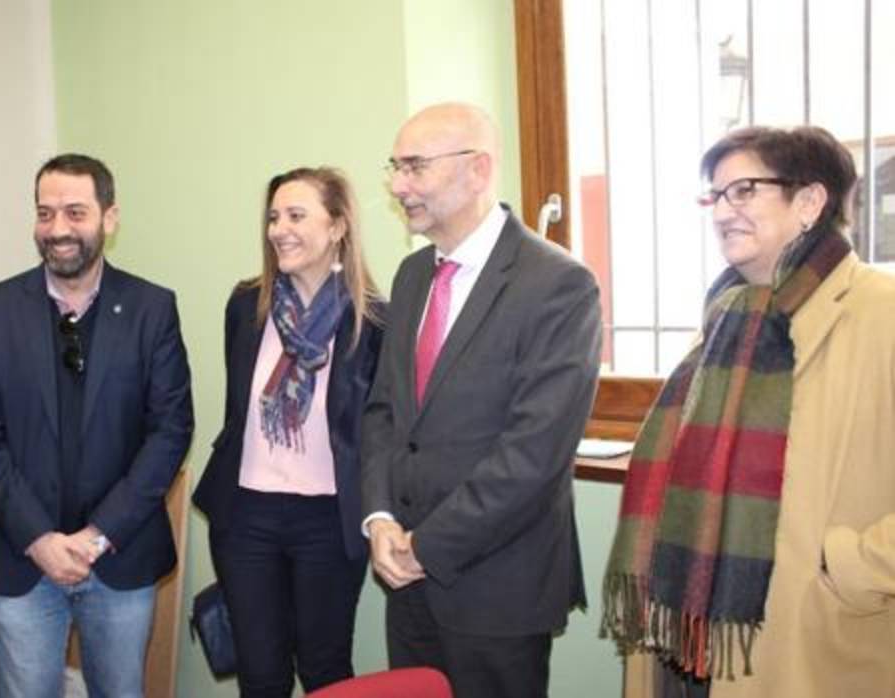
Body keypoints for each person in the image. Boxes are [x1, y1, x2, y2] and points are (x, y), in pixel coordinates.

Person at [602, 126, 895, 697]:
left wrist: (851, 566)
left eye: (744, 191)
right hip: (686, 627)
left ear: (810, 201)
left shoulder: (881, 313)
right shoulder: (726, 313)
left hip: (809, 630)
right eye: (715, 195)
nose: (721, 212)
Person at [360, 102, 603, 698]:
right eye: (395, 166)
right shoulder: (414, 275)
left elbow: (533, 455)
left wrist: (428, 547)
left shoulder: (558, 284)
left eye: (415, 167)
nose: (398, 185)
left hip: (498, 588)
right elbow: (386, 413)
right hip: (408, 580)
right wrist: (382, 517)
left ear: (477, 170)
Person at [0, 153, 194, 698]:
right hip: (22, 557)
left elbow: (170, 430)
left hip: (119, 555)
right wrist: (39, 537)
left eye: (74, 212)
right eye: (45, 213)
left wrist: (96, 535)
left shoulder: (151, 308)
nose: (57, 229)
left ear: (110, 218)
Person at [193, 167, 385, 696]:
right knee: (260, 673)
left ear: (338, 226)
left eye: (296, 215)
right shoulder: (245, 305)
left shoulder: (374, 321)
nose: (279, 228)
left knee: (324, 669)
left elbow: (378, 433)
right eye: (274, 217)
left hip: (328, 519)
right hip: (246, 515)